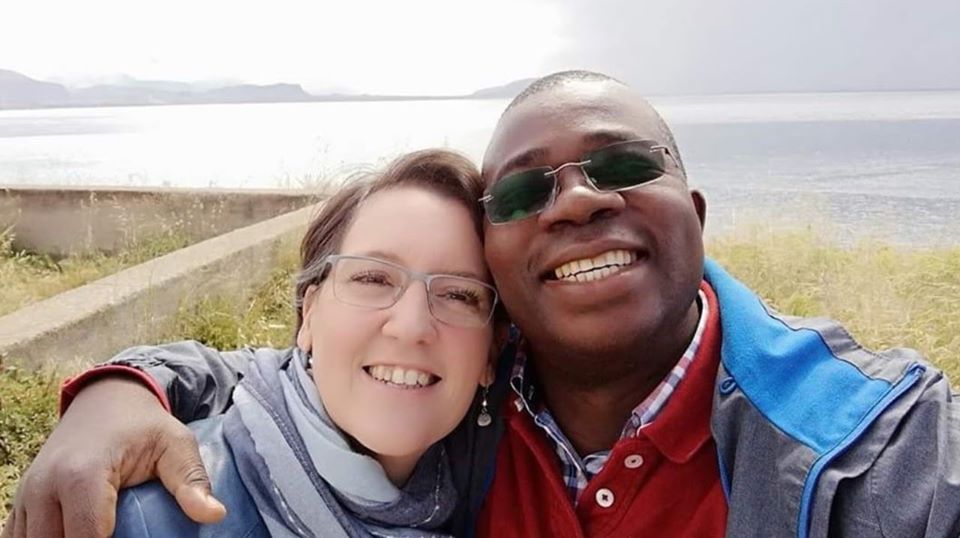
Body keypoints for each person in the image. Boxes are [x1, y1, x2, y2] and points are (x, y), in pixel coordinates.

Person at [5, 71, 959, 538]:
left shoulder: (883, 452)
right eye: (524, 190)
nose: (577, 201)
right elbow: (277, 379)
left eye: (623, 165)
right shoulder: (463, 412)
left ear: (696, 216)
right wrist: (121, 390)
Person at [6, 149, 504, 537]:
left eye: (459, 294)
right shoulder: (151, 517)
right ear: (310, 314)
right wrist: (115, 389)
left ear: (492, 352)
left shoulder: (488, 488)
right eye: (372, 278)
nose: (411, 325)